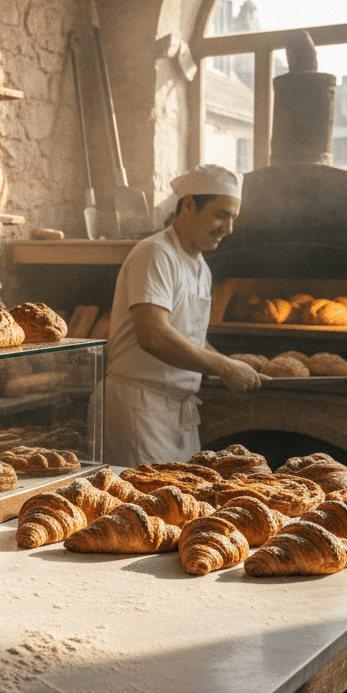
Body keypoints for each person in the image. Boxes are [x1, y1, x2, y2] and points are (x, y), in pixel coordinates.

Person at [104, 163, 261, 467]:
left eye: (233, 218)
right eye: (220, 215)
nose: (228, 229)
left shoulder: (200, 266)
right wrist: (224, 368)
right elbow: (153, 335)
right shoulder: (156, 253)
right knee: (144, 506)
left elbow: (190, 337)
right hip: (140, 407)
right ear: (188, 205)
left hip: (175, 412)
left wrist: (231, 364)